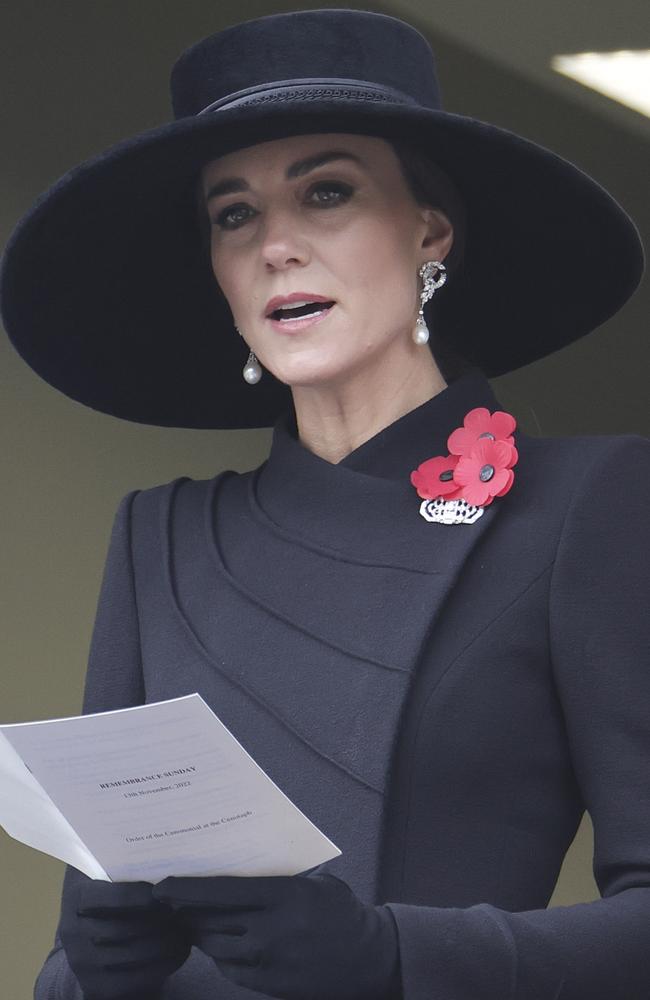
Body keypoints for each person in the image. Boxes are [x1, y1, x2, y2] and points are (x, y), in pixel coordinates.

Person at [1, 8, 649, 1000]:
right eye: (233, 213)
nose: (275, 247)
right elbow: (77, 947)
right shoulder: (158, 539)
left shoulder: (584, 508)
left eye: (328, 191)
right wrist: (87, 975)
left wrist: (393, 958)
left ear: (429, 229)